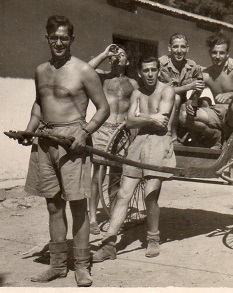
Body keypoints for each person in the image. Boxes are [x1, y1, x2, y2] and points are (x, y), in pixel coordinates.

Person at [21, 15, 110, 286]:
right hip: (45, 140)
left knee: (78, 206)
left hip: (73, 142)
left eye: (64, 38)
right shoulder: (40, 70)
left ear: (71, 39)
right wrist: (29, 129)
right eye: (54, 38)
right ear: (46, 39)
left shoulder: (84, 70)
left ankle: (82, 267)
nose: (59, 42)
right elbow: (40, 103)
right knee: (53, 205)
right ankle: (58, 265)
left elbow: (104, 108)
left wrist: (85, 133)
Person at [92, 56, 175, 262]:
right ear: (140, 72)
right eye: (146, 70)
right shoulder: (137, 92)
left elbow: (162, 122)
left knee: (150, 194)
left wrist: (143, 118)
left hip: (159, 143)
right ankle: (109, 244)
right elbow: (129, 123)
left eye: (153, 70)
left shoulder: (167, 91)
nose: (150, 74)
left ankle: (153, 238)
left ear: (158, 71)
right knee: (123, 194)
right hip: (138, 143)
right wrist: (150, 117)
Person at [87, 44, 139, 235]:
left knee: (117, 175)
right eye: (114, 55)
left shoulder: (133, 84)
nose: (117, 57)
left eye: (121, 54)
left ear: (128, 61)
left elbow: (140, 104)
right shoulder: (102, 76)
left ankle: (114, 215)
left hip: (122, 133)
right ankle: (92, 217)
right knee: (97, 175)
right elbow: (84, 70)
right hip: (102, 130)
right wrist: (104, 53)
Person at [179, 33, 233, 149]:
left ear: (227, 54)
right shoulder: (205, 74)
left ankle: (227, 136)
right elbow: (195, 98)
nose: (218, 56)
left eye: (222, 53)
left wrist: (229, 94)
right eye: (214, 52)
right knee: (184, 115)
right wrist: (190, 104)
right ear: (210, 53)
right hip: (216, 112)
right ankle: (215, 135)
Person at [158, 33, 205, 143]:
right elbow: (162, 91)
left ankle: (196, 139)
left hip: (181, 104)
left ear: (187, 49)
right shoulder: (161, 63)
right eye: (175, 47)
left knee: (204, 103)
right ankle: (172, 135)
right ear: (169, 48)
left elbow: (201, 84)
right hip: (161, 102)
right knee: (176, 97)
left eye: (183, 47)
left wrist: (192, 99)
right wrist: (189, 86)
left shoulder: (192, 65)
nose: (179, 51)